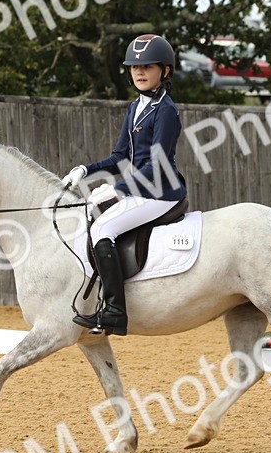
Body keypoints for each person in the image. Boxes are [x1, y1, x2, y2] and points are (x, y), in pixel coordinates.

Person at [60, 34, 188, 336]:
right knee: (92, 217)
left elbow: (156, 166)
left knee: (102, 229)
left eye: (147, 67)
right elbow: (120, 157)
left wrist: (117, 189)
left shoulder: (166, 111)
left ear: (165, 71)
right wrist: (85, 170)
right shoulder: (135, 107)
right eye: (134, 67)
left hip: (162, 191)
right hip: (141, 187)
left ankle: (116, 311)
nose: (139, 72)